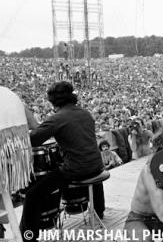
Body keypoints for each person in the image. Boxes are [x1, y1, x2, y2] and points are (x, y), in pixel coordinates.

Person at [20, 81, 106, 242]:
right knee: (90, 167)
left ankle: (27, 236)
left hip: (76, 169)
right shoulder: (85, 113)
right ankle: (99, 210)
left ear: (53, 101)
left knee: (32, 195)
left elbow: (33, 140)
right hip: (97, 165)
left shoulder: (57, 118)